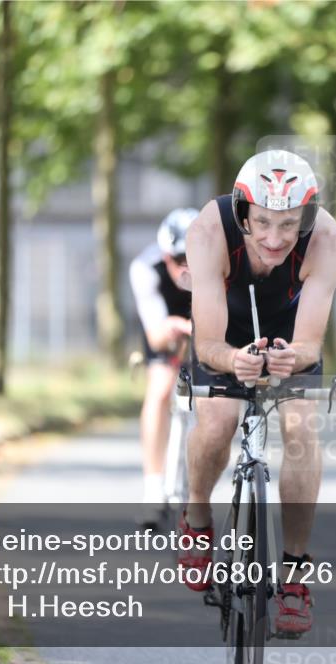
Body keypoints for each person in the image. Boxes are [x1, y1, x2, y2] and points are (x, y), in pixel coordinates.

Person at [178, 149, 336, 637]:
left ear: (307, 218)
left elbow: (310, 342)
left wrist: (288, 359)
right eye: (264, 223)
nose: (275, 239)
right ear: (242, 213)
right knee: (217, 421)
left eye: (289, 225)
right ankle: (196, 513)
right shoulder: (208, 232)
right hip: (225, 328)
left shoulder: (330, 242)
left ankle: (294, 575)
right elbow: (208, 341)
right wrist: (235, 360)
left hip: (291, 332)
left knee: (300, 428)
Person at [129, 208, 198, 528]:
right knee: (159, 388)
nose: (186, 267)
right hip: (166, 322)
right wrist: (175, 328)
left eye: (193, 258)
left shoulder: (223, 264)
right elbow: (156, 336)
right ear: (165, 255)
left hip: (206, 319)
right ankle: (154, 486)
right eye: (179, 259)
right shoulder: (146, 268)